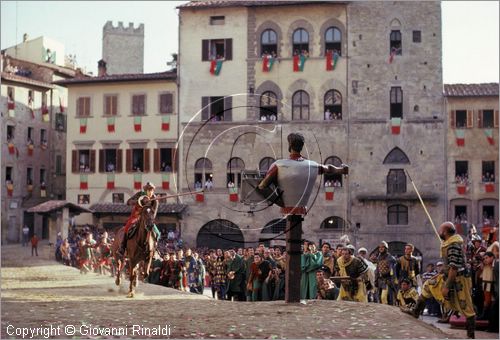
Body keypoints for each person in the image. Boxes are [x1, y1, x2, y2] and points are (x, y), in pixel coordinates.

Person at [403, 222, 476, 339]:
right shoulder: (448, 244)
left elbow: (454, 268)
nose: (439, 232)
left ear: (445, 232)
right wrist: (439, 274)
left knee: (466, 307)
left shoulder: (453, 245)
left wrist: (446, 286)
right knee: (428, 285)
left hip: (459, 280)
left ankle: (471, 336)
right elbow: (448, 266)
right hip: (448, 276)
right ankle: (416, 311)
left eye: (440, 230)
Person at [118, 182, 159, 256]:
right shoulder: (139, 194)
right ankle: (122, 247)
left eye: (151, 190)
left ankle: (155, 250)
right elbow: (128, 202)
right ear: (145, 190)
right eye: (148, 190)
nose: (150, 192)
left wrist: (150, 219)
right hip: (136, 215)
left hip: (148, 218)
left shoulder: (155, 199)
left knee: (158, 233)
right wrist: (138, 201)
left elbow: (154, 213)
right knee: (127, 227)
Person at [374, 240, 397, 305]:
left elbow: (393, 271)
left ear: (386, 248)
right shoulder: (378, 258)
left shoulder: (390, 258)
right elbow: (377, 270)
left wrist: (392, 281)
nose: (381, 248)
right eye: (380, 247)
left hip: (387, 281)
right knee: (380, 298)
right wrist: (376, 280)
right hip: (380, 280)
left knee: (384, 297)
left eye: (382, 247)